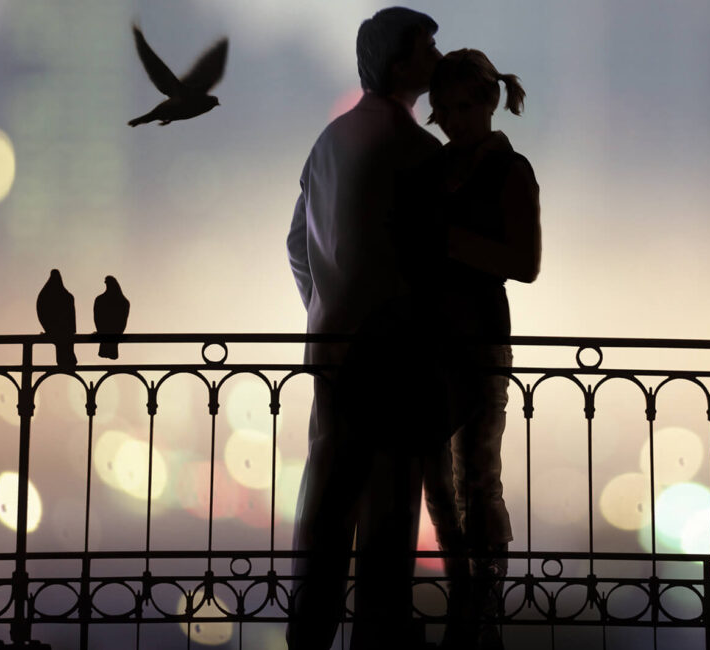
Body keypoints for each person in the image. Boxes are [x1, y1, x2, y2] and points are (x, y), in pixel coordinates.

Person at [285, 8, 442, 650]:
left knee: (326, 502)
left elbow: (297, 244)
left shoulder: (329, 141)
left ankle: (308, 631)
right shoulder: (417, 151)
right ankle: (376, 638)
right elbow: (434, 261)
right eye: (428, 47)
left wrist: (323, 307)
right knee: (389, 509)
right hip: (395, 353)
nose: (437, 57)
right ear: (402, 62)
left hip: (332, 350)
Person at [417, 49, 541, 650]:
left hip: (478, 342)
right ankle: (469, 599)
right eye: (445, 112)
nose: (454, 121)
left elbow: (526, 262)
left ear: (490, 103)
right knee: (443, 481)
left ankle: (479, 606)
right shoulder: (447, 166)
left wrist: (449, 242)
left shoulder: (509, 170)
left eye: (462, 108)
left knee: (476, 480)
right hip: (438, 339)